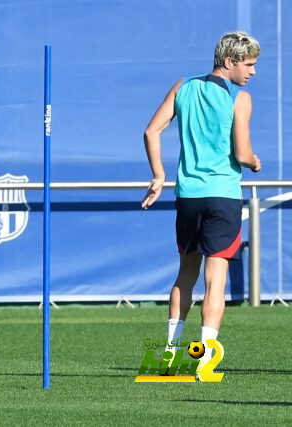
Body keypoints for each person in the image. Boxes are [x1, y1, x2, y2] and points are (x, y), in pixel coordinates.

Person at [141, 32, 261, 370]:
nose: (252, 72)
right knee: (216, 278)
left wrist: (159, 176)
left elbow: (151, 131)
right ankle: (205, 358)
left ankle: (170, 354)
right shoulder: (241, 98)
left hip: (189, 196)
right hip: (223, 195)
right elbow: (242, 152)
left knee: (186, 273)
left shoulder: (184, 87)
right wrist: (253, 162)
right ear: (229, 62)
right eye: (248, 64)